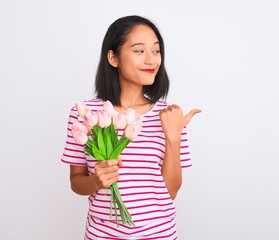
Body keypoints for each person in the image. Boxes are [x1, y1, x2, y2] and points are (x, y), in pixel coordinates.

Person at [61, 15, 201, 240]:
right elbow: (76, 182)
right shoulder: (86, 113)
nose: (151, 60)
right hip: (102, 235)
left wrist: (173, 136)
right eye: (139, 51)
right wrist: (96, 181)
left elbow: (171, 192)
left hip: (159, 235)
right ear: (113, 58)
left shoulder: (169, 115)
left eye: (156, 51)